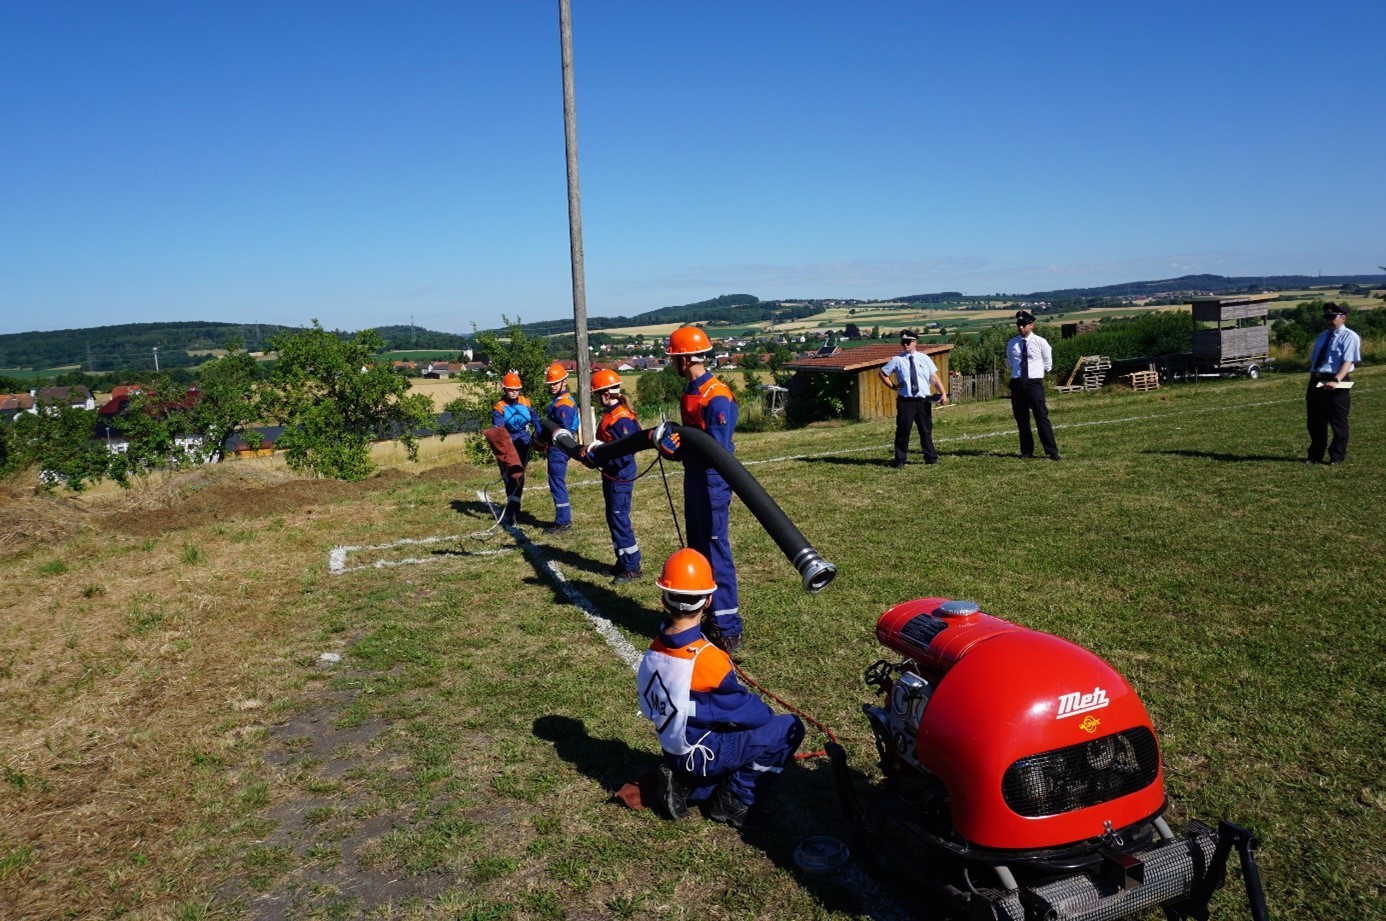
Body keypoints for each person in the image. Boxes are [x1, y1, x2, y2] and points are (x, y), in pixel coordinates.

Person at [637, 548, 804, 828]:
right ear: (709, 599)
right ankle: (735, 799)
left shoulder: (653, 650)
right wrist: (762, 711)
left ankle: (688, 784)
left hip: (675, 749)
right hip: (701, 754)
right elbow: (752, 714)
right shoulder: (709, 660)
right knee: (788, 727)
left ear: (663, 599)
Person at [667, 326, 743, 656]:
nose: (672, 363)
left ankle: (728, 628)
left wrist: (684, 447)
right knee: (697, 549)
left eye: (673, 357)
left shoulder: (717, 396)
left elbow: (718, 449)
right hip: (694, 477)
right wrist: (675, 447)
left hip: (712, 480)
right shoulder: (692, 390)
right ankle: (702, 615)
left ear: (684, 359)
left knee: (715, 552)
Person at [592, 369, 643, 583]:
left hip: (619, 474)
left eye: (596, 394)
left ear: (605, 394)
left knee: (619, 517)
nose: (595, 398)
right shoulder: (612, 415)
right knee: (613, 517)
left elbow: (624, 454)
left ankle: (632, 566)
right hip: (612, 473)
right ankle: (622, 560)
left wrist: (599, 458)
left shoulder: (621, 419)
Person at [879, 329, 948, 467]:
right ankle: (900, 460)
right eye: (903, 342)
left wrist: (943, 393)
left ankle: (931, 457)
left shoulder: (924, 358)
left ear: (915, 342)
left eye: (908, 342)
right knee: (903, 431)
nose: (905, 345)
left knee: (925, 430)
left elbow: (934, 378)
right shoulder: (897, 360)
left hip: (923, 401)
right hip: (906, 401)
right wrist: (893, 386)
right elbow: (882, 373)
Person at [1305, 302, 1361, 466]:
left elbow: (1347, 361)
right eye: (1326, 317)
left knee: (1338, 420)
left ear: (1343, 318)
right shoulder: (1322, 336)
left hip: (1337, 379)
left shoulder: (1350, 336)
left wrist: (1336, 380)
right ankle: (1315, 455)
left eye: (1332, 317)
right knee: (1315, 420)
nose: (1328, 321)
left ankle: (1336, 456)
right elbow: (1316, 360)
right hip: (1317, 379)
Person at [1006, 311, 1061, 461]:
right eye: (1019, 325)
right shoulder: (1012, 343)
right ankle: (1026, 450)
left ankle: (1051, 451)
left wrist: (1038, 373)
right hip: (1017, 382)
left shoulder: (1040, 342)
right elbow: (1011, 361)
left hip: (1034, 382)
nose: (1021, 328)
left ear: (1031, 325)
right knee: (1021, 418)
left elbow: (1047, 361)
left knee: (1041, 416)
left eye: (1024, 325)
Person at [491, 371, 538, 525]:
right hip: (507, 442)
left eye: (516, 389)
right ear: (504, 390)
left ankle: (514, 510)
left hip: (523, 441)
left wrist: (538, 430)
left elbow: (535, 419)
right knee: (508, 477)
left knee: (519, 477)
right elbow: (499, 429)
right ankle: (511, 509)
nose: (514, 392)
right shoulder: (499, 407)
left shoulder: (526, 402)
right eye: (511, 390)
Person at [541, 362, 579, 534]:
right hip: (556, 447)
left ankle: (563, 521)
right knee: (556, 482)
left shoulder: (564, 404)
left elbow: (562, 431)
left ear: (564, 381)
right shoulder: (560, 401)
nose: (552, 386)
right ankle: (562, 519)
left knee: (557, 483)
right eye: (550, 384)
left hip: (559, 449)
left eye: (555, 383)